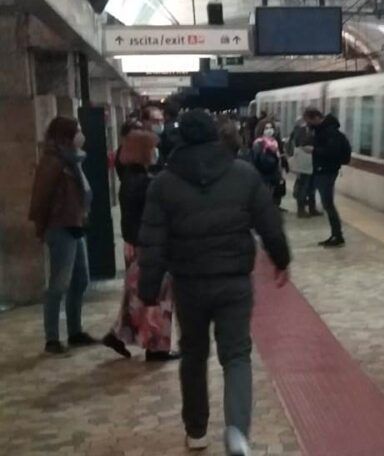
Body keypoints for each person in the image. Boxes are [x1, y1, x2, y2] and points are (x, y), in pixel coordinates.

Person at [138, 109, 291, 454]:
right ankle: (237, 432)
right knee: (236, 356)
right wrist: (281, 261)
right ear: (215, 135)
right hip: (234, 282)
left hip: (189, 284)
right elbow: (269, 224)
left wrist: (148, 294)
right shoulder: (243, 174)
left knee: (193, 354)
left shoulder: (163, 183)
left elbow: (153, 242)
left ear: (179, 137)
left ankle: (196, 431)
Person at [103, 129, 177, 361]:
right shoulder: (143, 183)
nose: (155, 152)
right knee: (159, 295)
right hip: (149, 247)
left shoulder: (130, 178)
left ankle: (119, 335)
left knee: (135, 296)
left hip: (138, 245)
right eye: (152, 147)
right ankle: (156, 347)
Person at [28, 116, 96, 355]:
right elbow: (41, 198)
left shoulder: (72, 160)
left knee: (81, 279)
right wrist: (41, 226)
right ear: (66, 135)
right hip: (59, 225)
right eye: (77, 130)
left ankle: (75, 331)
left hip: (75, 223)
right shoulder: (53, 162)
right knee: (59, 283)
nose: (81, 134)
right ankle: (52, 338)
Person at [303, 108, 351, 248]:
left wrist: (314, 150)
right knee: (327, 204)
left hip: (327, 171)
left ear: (317, 117)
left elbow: (331, 152)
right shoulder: (322, 130)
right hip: (323, 170)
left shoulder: (329, 132)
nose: (309, 124)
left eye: (310, 121)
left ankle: (338, 235)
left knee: (328, 204)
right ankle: (335, 234)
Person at [287, 114, 320, 218]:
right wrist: (309, 147)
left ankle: (312, 208)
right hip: (303, 163)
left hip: (312, 163)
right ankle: (301, 210)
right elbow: (300, 144)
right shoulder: (301, 130)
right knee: (304, 186)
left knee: (311, 187)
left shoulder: (311, 130)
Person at [252, 119, 285, 208]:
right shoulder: (258, 143)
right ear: (261, 129)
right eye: (266, 128)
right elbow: (259, 160)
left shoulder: (274, 142)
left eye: (271, 128)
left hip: (274, 173)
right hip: (264, 175)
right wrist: (273, 157)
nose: (269, 130)